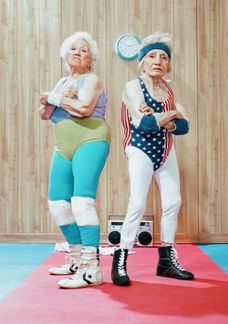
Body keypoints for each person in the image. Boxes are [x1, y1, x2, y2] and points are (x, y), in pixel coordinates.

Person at [111, 32, 194, 286]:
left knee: (174, 201)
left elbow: (184, 127)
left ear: (168, 64)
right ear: (142, 62)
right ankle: (120, 257)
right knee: (137, 202)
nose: (158, 60)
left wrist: (162, 118)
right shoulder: (132, 87)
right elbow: (144, 125)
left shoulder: (169, 88)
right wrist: (170, 115)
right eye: (152, 56)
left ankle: (166, 260)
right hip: (139, 148)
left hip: (166, 149)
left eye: (164, 57)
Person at [39, 32, 110, 289]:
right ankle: (77, 259)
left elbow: (83, 109)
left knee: (81, 202)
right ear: (65, 56)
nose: (77, 52)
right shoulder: (62, 81)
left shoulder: (92, 79)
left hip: (90, 139)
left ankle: (92, 270)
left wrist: (55, 97)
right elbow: (45, 113)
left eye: (83, 50)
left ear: (91, 59)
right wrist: (53, 98)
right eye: (73, 49)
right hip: (63, 144)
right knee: (58, 204)